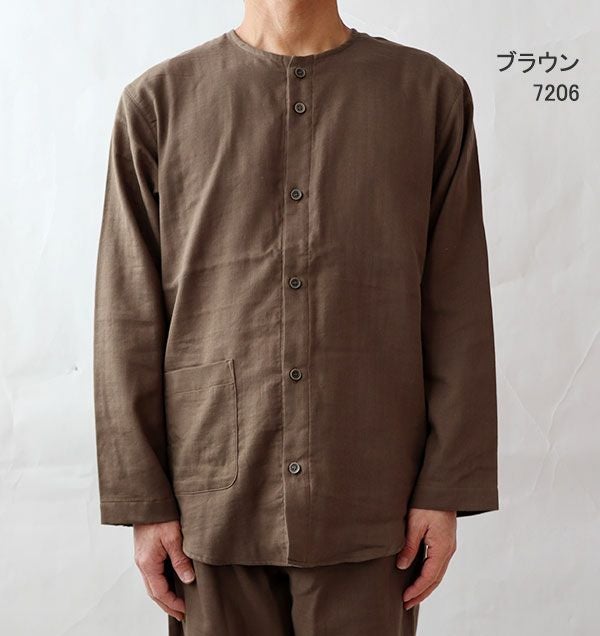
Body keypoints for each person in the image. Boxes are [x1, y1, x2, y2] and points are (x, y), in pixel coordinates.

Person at [93, 1, 499, 634]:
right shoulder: (157, 104)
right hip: (211, 499)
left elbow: (458, 304)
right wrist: (144, 501)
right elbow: (127, 315)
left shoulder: (428, 96)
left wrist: (443, 488)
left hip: (373, 494)